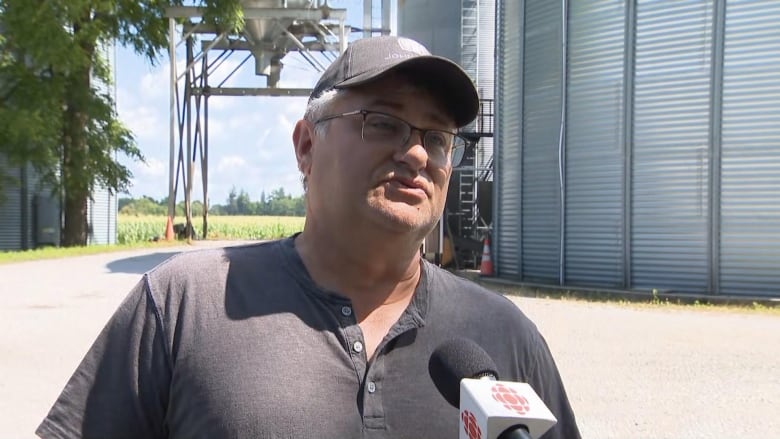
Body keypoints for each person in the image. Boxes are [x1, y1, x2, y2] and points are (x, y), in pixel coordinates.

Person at [37, 36, 580, 439]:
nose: (416, 154)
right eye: (383, 123)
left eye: (436, 138)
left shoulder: (502, 335)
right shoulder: (184, 305)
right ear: (305, 147)